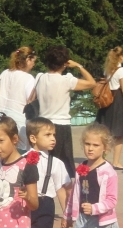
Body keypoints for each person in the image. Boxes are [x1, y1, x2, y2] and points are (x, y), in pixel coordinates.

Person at [35, 46, 96, 175]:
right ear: (65, 63)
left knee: (45, 164)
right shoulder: (66, 80)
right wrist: (78, 66)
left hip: (42, 124)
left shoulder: (40, 77)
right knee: (64, 168)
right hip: (60, 125)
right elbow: (92, 83)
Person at [96, 47, 123, 170]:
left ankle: (102, 158)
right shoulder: (122, 70)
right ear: (120, 57)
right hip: (118, 102)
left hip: (108, 102)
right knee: (119, 133)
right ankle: (116, 162)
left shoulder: (108, 69)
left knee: (106, 132)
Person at [0, 47, 37, 152]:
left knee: (3, 149)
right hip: (17, 120)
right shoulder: (28, 78)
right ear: (27, 60)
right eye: (33, 61)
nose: (33, 64)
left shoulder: (4, 73)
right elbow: (30, 101)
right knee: (20, 152)